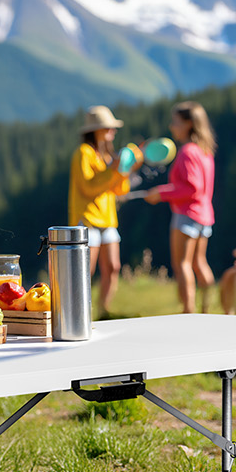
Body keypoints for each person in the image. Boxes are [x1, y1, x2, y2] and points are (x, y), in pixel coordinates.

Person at [146, 101, 216, 314]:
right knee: (199, 263)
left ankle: (189, 311)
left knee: (182, 264)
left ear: (188, 124)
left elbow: (190, 188)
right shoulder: (205, 151)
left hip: (186, 215)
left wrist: (161, 194)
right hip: (205, 216)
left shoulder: (187, 152)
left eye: (175, 122)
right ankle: (210, 309)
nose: (171, 126)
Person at [69, 105, 138, 315]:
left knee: (113, 267)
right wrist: (114, 170)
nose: (113, 132)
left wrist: (124, 170)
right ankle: (81, 311)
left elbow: (119, 190)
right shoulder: (84, 154)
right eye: (108, 128)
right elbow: (88, 188)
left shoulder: (107, 156)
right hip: (87, 219)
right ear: (96, 130)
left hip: (108, 219)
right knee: (85, 271)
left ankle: (103, 310)